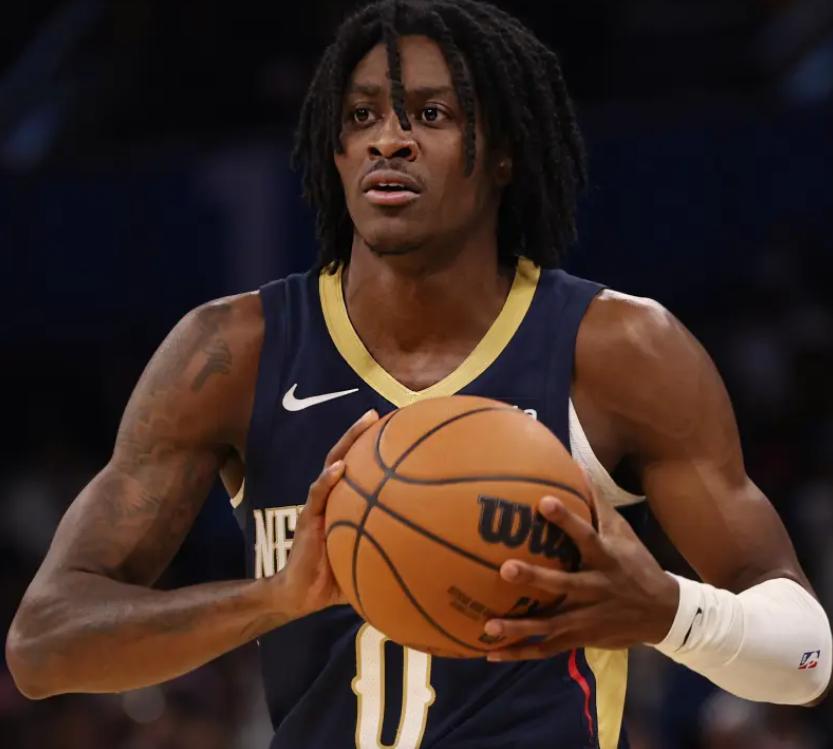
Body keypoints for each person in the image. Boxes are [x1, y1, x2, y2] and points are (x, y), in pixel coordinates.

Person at [7, 1, 831, 747]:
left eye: (430, 114)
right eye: (361, 115)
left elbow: (806, 658)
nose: (388, 140)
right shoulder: (230, 353)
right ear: (335, 151)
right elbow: (43, 647)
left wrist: (668, 613)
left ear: (503, 153)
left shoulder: (618, 349)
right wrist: (275, 597)